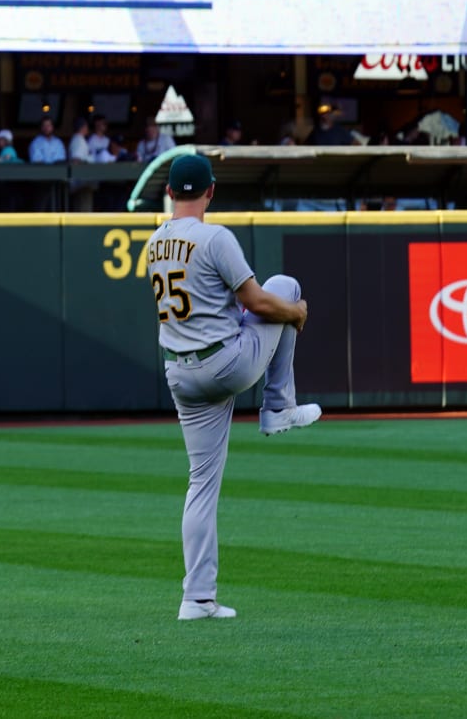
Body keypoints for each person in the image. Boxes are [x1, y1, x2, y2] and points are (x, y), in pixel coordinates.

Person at [146, 155, 318, 620]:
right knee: (285, 285)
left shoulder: (155, 242)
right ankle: (279, 407)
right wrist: (298, 314)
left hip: (180, 373)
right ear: (211, 191)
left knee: (200, 485)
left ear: (169, 193)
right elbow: (256, 299)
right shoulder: (214, 236)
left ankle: (196, 599)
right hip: (226, 363)